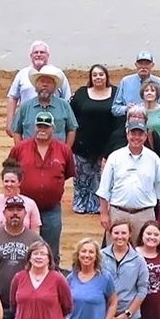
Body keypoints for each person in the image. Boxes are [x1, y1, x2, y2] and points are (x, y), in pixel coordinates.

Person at [9, 112, 74, 261]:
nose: (42, 129)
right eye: (39, 126)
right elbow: (10, 172)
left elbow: (67, 173)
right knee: (23, 248)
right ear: (34, 127)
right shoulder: (20, 149)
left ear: (53, 128)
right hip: (24, 209)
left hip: (51, 210)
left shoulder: (64, 150)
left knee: (51, 251)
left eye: (46, 126)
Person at [99, 120, 160, 239]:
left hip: (144, 215)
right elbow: (104, 188)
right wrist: (104, 214)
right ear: (127, 135)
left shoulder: (153, 158)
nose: (136, 137)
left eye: (140, 134)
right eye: (133, 133)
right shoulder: (115, 157)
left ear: (145, 136)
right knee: (116, 249)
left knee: (145, 249)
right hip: (118, 213)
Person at [69, 65, 119, 214]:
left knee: (103, 177)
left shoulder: (116, 93)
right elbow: (71, 116)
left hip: (107, 145)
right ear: (91, 78)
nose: (98, 77)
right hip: (82, 144)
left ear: (106, 76)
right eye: (95, 75)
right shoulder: (81, 93)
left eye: (101, 74)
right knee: (81, 177)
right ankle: (81, 204)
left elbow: (120, 116)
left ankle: (99, 205)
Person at [0, 168, 42, 242]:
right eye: (6, 181)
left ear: (19, 183)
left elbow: (35, 231)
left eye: (12, 181)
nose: (9, 184)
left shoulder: (30, 203)